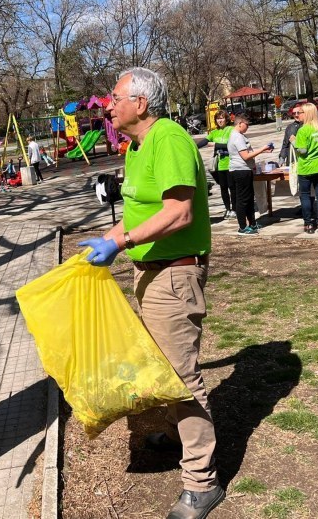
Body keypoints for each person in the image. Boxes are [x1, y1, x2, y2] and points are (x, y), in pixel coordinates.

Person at [78, 67, 224, 519]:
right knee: (160, 365)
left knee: (181, 378)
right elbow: (140, 210)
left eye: (115, 97)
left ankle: (202, 482)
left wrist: (120, 244)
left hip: (175, 276)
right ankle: (179, 435)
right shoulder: (136, 148)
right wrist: (108, 237)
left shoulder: (169, 139)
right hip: (150, 273)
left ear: (141, 103)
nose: (108, 104)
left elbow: (179, 213)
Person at [228, 116, 274, 235]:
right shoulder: (237, 137)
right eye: (247, 125)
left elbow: (249, 153)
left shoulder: (240, 136)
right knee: (242, 199)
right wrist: (262, 148)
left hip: (245, 169)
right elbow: (246, 156)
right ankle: (242, 227)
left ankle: (252, 224)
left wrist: (264, 150)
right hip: (240, 171)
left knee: (249, 198)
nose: (248, 127)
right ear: (240, 123)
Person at [291, 102, 318, 234]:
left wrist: (293, 141)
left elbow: (302, 150)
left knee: (305, 195)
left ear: (306, 114)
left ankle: (308, 224)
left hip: (306, 167)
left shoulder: (303, 130)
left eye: (300, 112)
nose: (297, 115)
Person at [206, 111, 236, 220]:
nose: (220, 120)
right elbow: (205, 141)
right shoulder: (214, 133)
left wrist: (216, 145)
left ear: (226, 119)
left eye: (222, 118)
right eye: (218, 118)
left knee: (232, 188)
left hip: (231, 164)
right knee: (223, 188)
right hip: (220, 165)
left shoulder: (231, 130)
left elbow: (231, 145)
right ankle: (227, 209)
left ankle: (235, 209)